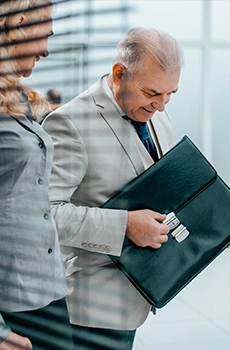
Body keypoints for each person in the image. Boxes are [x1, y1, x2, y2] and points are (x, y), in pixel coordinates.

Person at [41, 27, 230, 350]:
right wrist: (125, 226)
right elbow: (45, 213)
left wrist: (227, 223)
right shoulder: (70, 123)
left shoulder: (156, 117)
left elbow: (166, 197)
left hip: (136, 297)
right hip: (89, 309)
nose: (161, 106)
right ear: (119, 73)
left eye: (170, 94)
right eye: (152, 93)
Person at [0, 1, 73, 349]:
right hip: (11, 303)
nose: (46, 48)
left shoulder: (15, 95)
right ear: (18, 26)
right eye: (45, 35)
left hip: (46, 288)